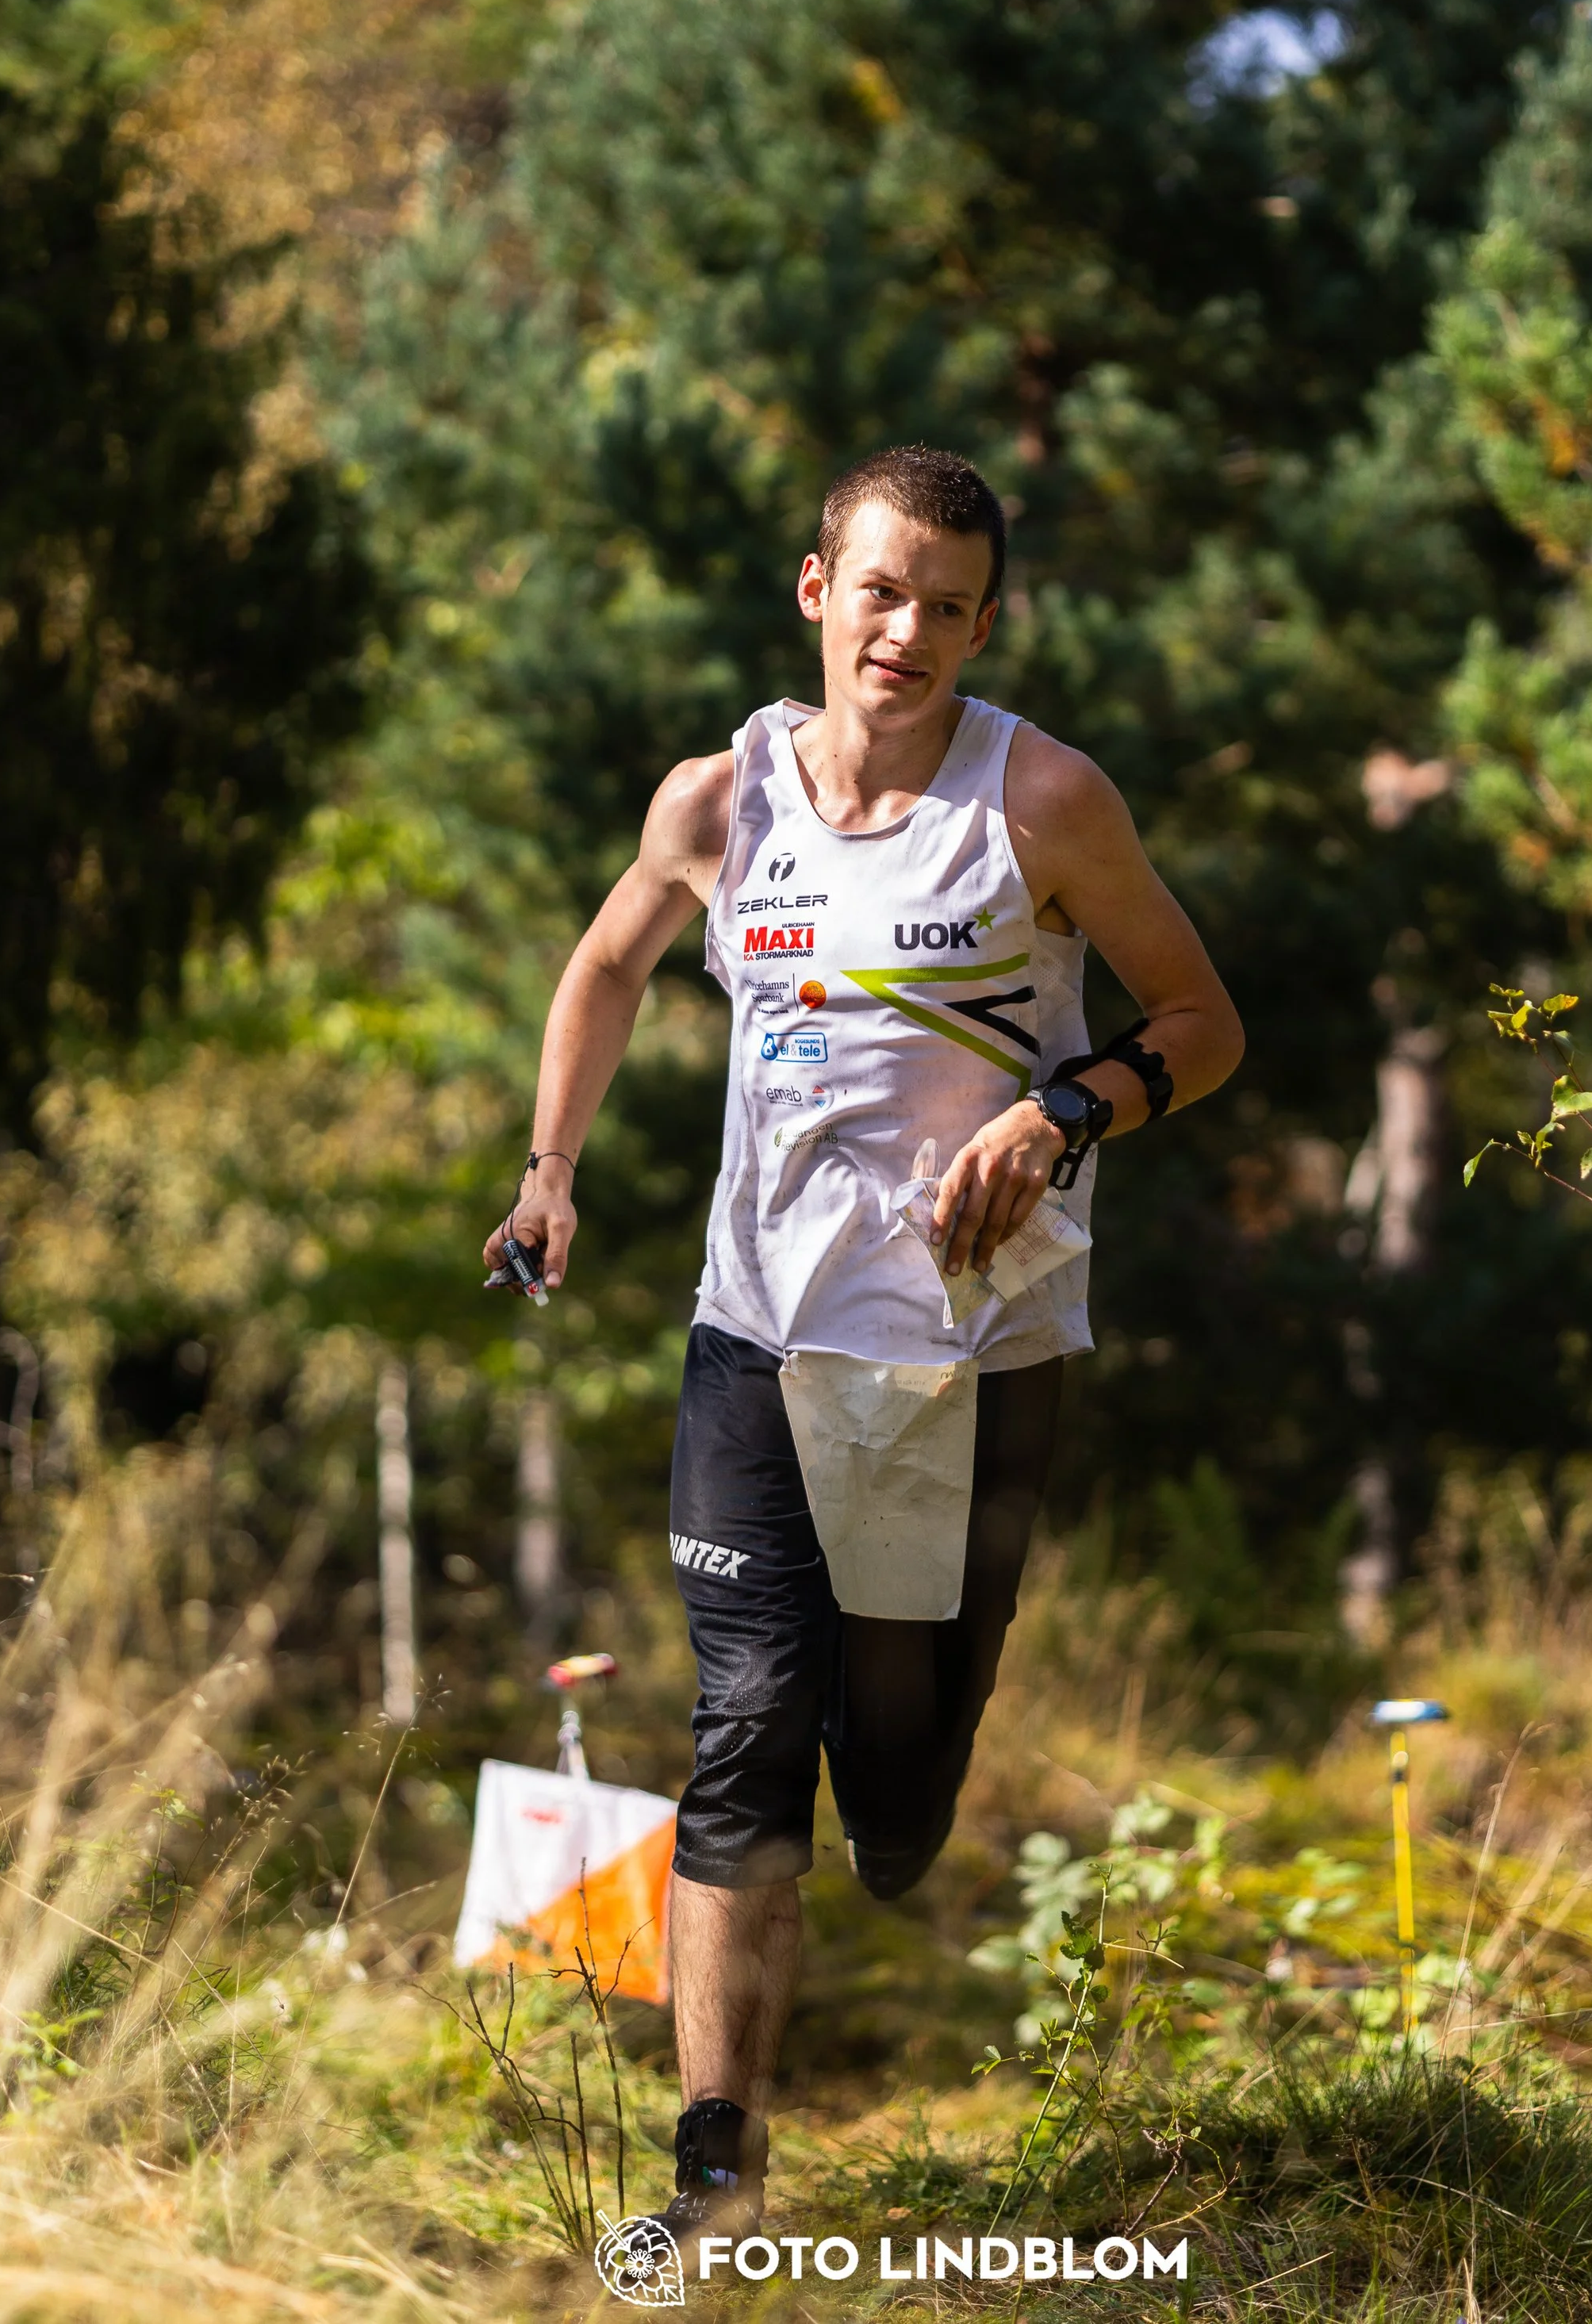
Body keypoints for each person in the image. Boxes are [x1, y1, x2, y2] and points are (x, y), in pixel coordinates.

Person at [484, 444, 1244, 2238]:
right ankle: (715, 2178)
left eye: (947, 608)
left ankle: (897, 1783)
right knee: (745, 1727)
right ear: (819, 590)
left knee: (893, 1783)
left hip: (964, 1363)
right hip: (757, 1335)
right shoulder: (720, 798)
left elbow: (1202, 1021)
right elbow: (608, 964)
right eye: (882, 591)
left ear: (985, 626)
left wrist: (1063, 1110)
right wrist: (549, 1171)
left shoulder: (1039, 799)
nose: (907, 632)